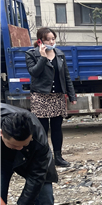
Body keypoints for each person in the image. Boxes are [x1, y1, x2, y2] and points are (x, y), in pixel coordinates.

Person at [1, 104, 69, 205]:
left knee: (45, 195)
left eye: (24, 144)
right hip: (2, 160)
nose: (20, 148)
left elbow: (38, 174)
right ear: (1, 133)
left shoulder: (37, 137)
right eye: (16, 146)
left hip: (32, 159)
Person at [25, 27, 77, 167]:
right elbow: (34, 73)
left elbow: (66, 75)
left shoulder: (59, 54)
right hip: (40, 96)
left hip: (58, 96)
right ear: (40, 40)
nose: (52, 41)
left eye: (53, 39)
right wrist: (42, 57)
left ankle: (58, 157)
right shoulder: (31, 54)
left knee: (56, 127)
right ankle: (44, 158)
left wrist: (72, 95)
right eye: (48, 39)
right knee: (41, 129)